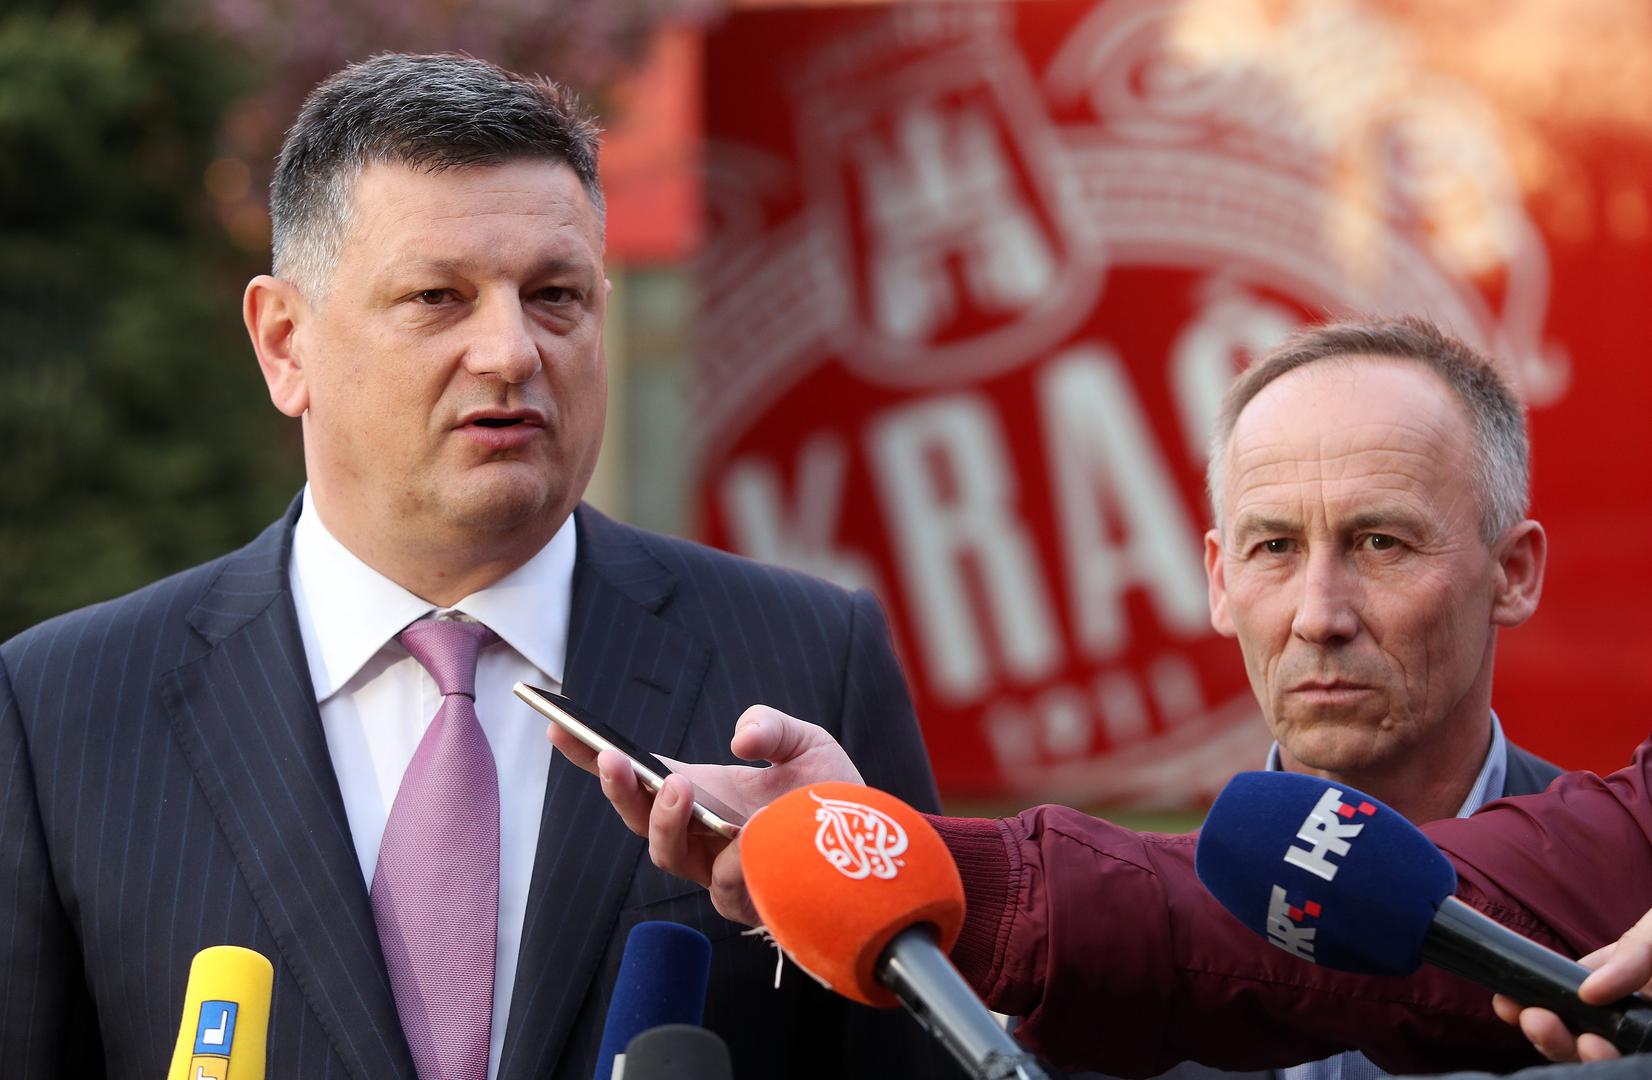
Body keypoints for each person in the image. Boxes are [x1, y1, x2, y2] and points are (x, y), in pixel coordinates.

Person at [0, 54, 958, 1080]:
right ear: (285, 343)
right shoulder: (61, 711)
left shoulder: (806, 666)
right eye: (436, 297)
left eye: (554, 296)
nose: (510, 352)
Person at [554, 315, 1605, 1076]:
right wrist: (871, 866)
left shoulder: (1619, 925)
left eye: (1379, 544)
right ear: (1216, 580)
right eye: (1274, 549)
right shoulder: (1096, 986)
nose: (1318, 613)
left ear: (1512, 574)